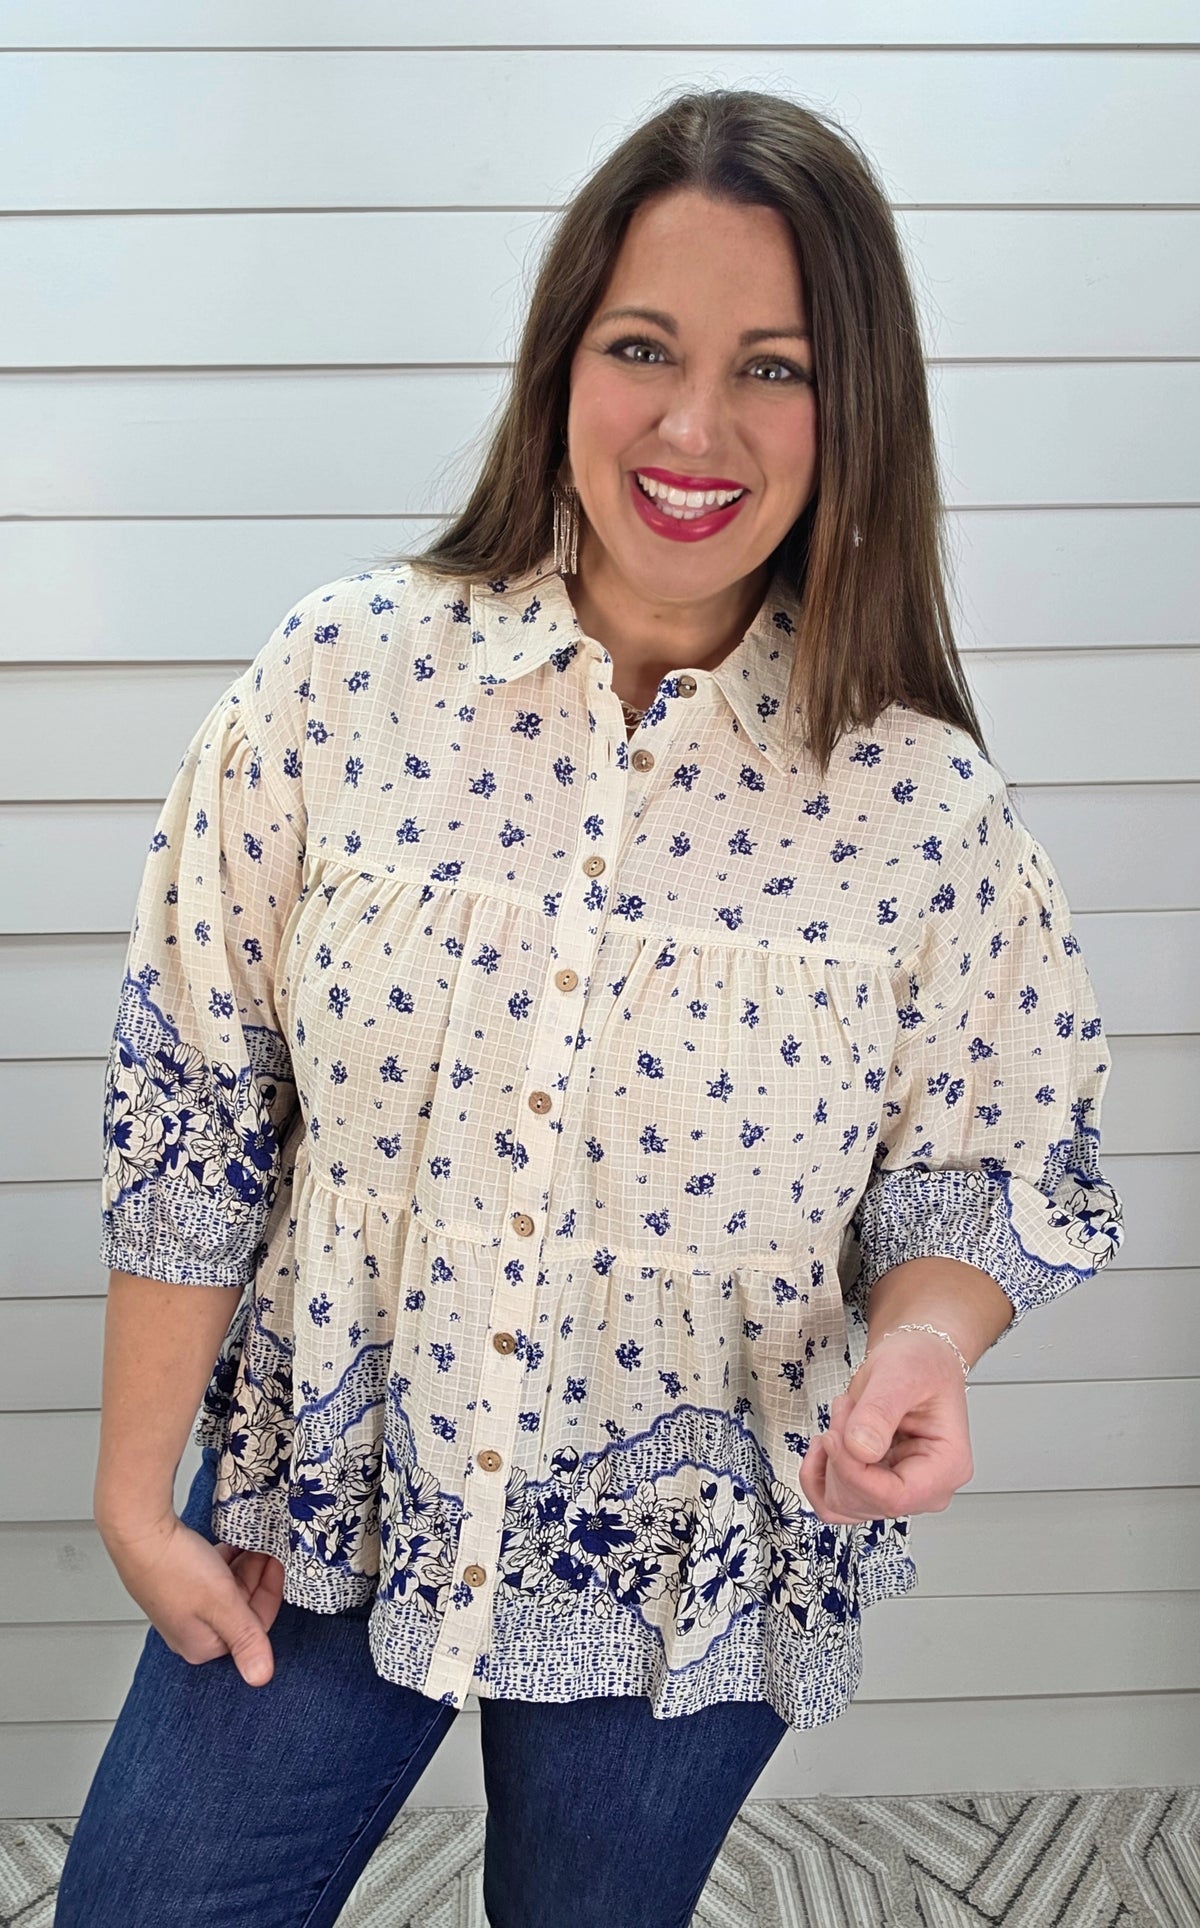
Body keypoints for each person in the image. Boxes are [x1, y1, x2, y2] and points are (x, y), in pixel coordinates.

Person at [56, 86, 1125, 1928]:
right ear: (566, 358)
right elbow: (197, 1101)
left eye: (774, 369)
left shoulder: (921, 806)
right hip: (323, 1486)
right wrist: (138, 1487)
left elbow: (991, 1166)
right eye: (645, 346)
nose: (694, 427)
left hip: (694, 1539)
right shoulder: (338, 684)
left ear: (853, 408)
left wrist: (927, 1349)